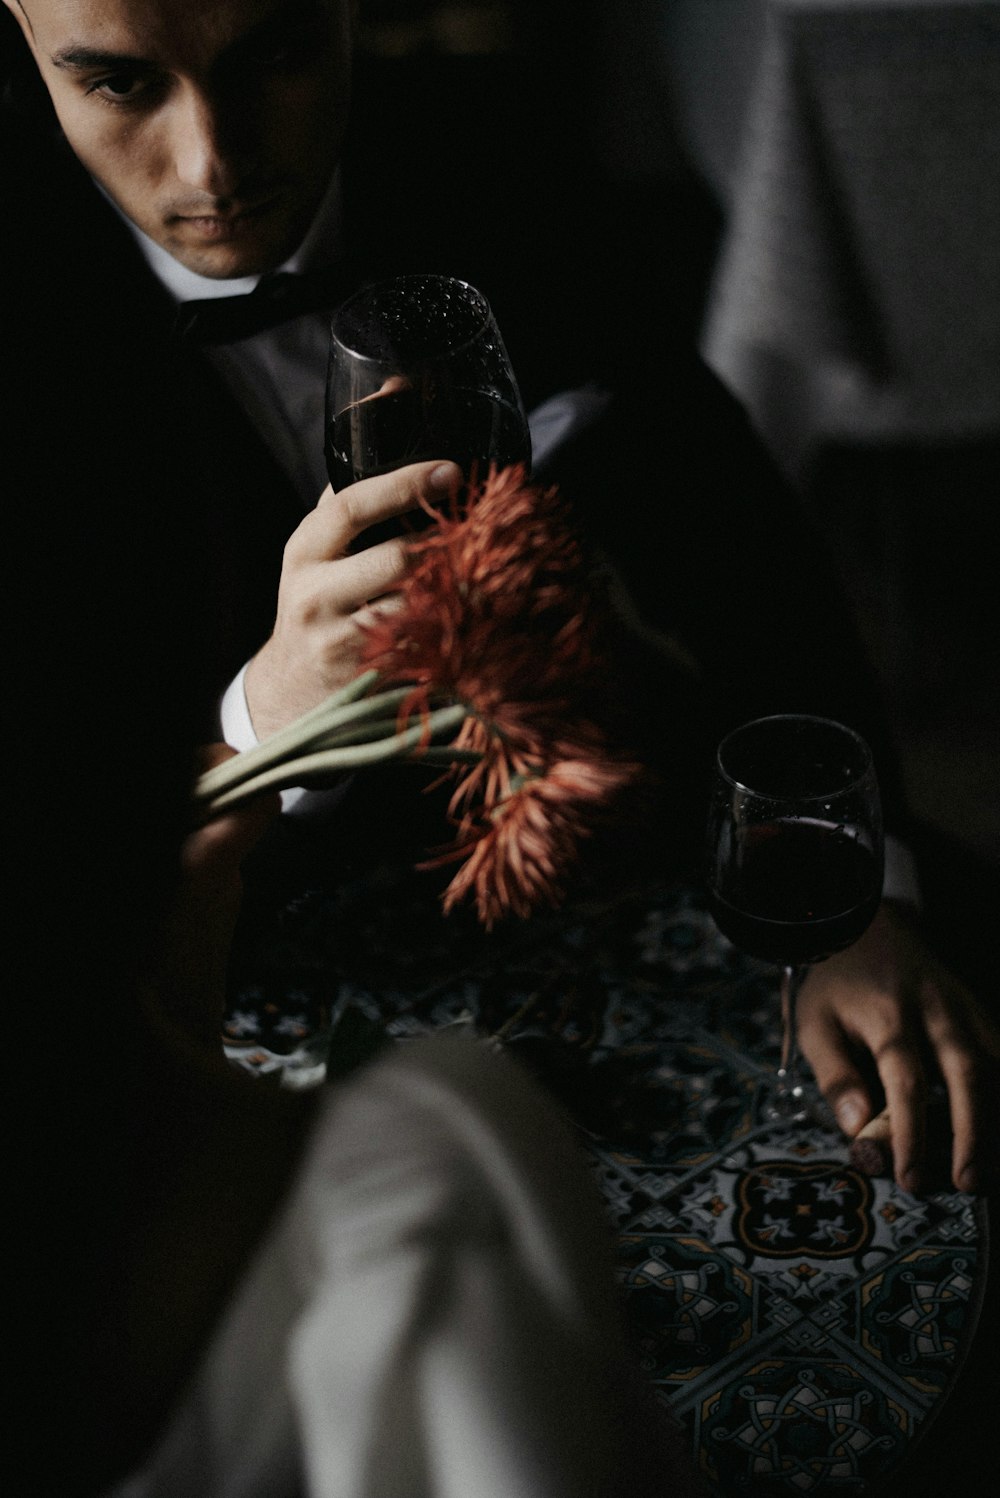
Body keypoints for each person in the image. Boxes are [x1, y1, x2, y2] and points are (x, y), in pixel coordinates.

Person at [2, 0, 995, 1217]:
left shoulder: (499, 155)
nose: (214, 162)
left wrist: (854, 891)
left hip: (606, 820)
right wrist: (265, 717)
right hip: (231, 970)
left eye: (277, 53)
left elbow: (740, 544)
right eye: (118, 84)